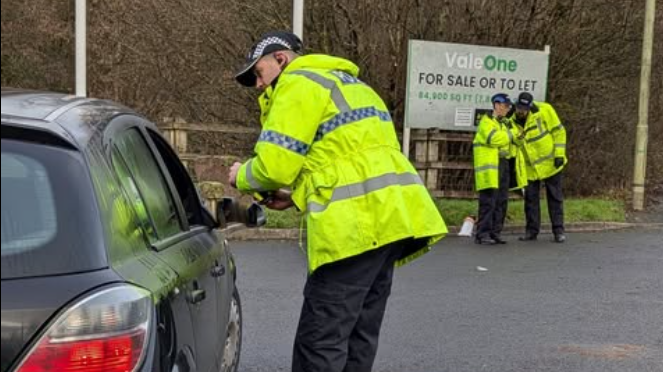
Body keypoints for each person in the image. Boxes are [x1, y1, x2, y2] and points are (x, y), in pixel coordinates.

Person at [228, 31, 447, 372]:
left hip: (353, 229)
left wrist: (241, 175)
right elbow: (344, 160)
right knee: (359, 335)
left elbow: (273, 166)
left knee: (321, 340)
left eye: (258, 73)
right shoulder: (351, 85)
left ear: (281, 60)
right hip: (393, 220)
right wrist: (296, 197)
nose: (258, 85)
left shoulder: (298, 82)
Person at [511, 92, 567, 243]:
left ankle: (558, 230)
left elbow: (559, 131)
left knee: (555, 197)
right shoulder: (512, 120)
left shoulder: (545, 110)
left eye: (524, 109)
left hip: (550, 163)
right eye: (519, 108)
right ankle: (531, 231)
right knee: (530, 199)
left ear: (530, 106)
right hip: (529, 167)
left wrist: (559, 154)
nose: (521, 112)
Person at [472, 93, 526, 245]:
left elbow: (518, 139)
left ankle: (496, 233)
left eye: (509, 107)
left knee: (501, 201)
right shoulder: (486, 122)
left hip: (504, 165)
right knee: (488, 202)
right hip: (489, 169)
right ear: (496, 105)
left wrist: (516, 135)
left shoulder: (506, 123)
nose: (508, 109)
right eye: (505, 106)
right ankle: (482, 234)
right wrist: (512, 134)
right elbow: (493, 139)